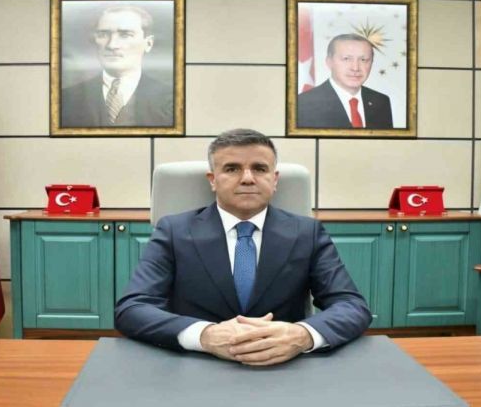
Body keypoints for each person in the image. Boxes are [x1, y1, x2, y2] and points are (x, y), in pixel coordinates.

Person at [115, 129, 372, 366]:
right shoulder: (174, 231)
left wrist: (302, 335)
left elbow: (351, 305)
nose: (247, 179)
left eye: (260, 168)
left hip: (284, 367)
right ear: (213, 180)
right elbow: (132, 308)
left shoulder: (307, 233)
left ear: (274, 179)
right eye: (232, 169)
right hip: (195, 365)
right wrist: (204, 335)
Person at [60, 5, 173, 128]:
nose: (112, 45)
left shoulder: (172, 98)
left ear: (148, 44)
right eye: (103, 34)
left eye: (125, 35)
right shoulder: (66, 99)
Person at [297, 33, 393, 129]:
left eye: (363, 60)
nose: (355, 68)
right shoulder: (304, 103)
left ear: (371, 62)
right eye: (346, 59)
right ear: (329, 62)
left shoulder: (381, 101)